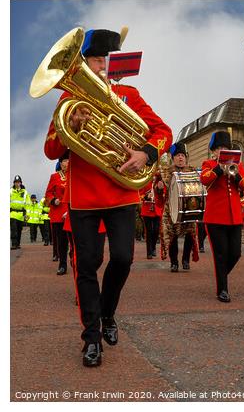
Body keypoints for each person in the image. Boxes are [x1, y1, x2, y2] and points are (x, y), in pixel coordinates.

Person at [43, 28, 172, 367]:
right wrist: (71, 120)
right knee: (86, 265)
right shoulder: (68, 98)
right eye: (95, 59)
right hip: (84, 197)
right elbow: (51, 149)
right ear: (84, 62)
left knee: (122, 259)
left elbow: (163, 132)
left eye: (105, 60)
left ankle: (108, 312)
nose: (100, 66)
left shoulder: (129, 94)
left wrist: (146, 154)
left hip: (121, 192)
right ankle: (91, 337)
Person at [200, 131, 244, 302]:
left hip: (234, 216)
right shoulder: (208, 163)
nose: (222, 150)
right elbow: (204, 179)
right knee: (221, 254)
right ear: (214, 151)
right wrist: (219, 169)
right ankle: (222, 289)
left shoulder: (238, 165)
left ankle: (221, 277)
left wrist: (235, 175)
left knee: (235, 253)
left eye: (225, 148)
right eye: (219, 148)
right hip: (215, 217)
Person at [158, 143, 200, 271]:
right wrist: (158, 188)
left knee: (190, 235)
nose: (180, 158)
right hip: (171, 208)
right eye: (177, 155)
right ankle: (174, 262)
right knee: (172, 236)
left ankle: (186, 260)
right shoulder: (165, 172)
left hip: (189, 206)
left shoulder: (193, 170)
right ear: (173, 158)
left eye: (182, 155)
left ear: (186, 158)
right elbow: (158, 195)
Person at [44, 153, 70, 274]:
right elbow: (48, 194)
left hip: (73, 212)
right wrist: (54, 200)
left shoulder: (76, 176)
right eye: (65, 160)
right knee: (62, 241)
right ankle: (62, 264)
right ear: (60, 163)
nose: (67, 163)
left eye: (69, 160)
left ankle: (76, 261)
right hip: (59, 213)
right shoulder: (54, 177)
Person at [140, 175, 164, 259]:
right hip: (147, 209)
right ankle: (149, 252)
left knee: (156, 230)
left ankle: (153, 247)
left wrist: (160, 189)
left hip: (157, 209)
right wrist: (146, 196)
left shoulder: (159, 182)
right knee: (149, 231)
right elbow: (140, 194)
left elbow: (163, 196)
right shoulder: (145, 182)